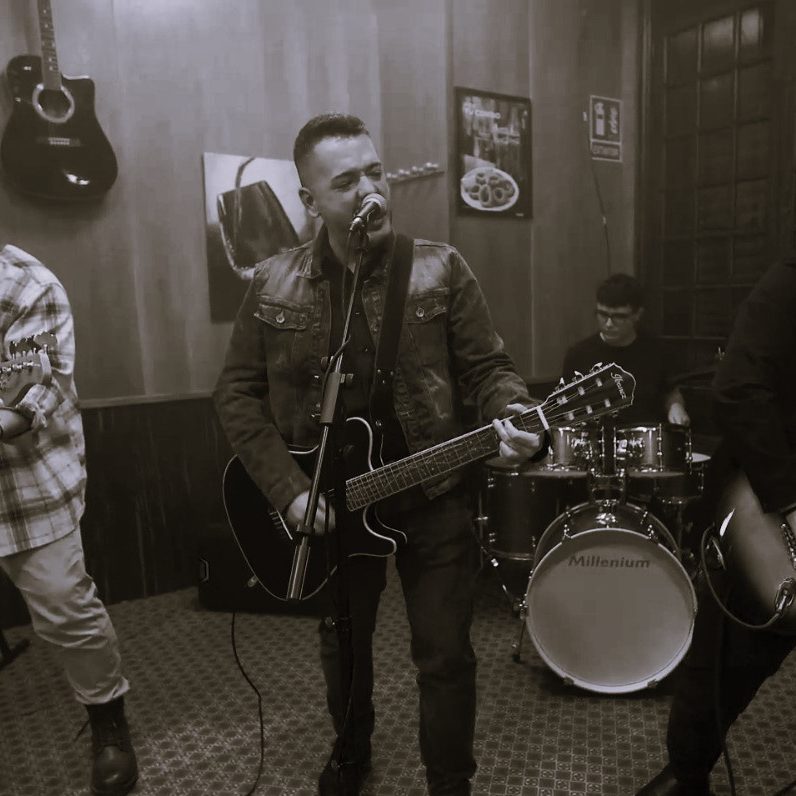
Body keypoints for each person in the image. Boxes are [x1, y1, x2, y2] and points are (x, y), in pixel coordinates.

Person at [213, 113, 544, 796]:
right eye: (346, 182)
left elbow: (489, 369)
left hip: (434, 490)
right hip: (333, 500)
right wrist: (288, 489)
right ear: (310, 201)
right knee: (344, 643)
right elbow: (236, 394)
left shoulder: (440, 267)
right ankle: (350, 750)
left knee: (445, 654)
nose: (370, 191)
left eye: (375, 172)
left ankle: (450, 782)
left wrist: (511, 412)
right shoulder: (272, 282)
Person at [636, 257, 796, 795]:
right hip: (771, 504)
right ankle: (689, 772)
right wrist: (791, 501)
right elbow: (737, 388)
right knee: (727, 665)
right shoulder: (789, 281)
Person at [0, 245, 138, 795]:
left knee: (64, 608)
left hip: (21, 486)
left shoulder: (26, 286)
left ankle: (108, 720)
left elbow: (24, 402)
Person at [561, 273, 689, 426]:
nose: (608, 324)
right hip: (596, 437)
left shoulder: (657, 351)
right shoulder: (578, 354)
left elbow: (670, 392)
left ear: (637, 315)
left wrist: (676, 406)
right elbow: (566, 406)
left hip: (646, 436)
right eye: (603, 314)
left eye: (619, 316)